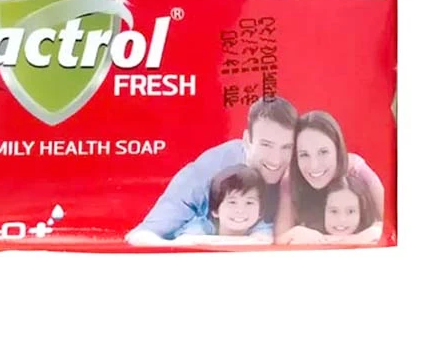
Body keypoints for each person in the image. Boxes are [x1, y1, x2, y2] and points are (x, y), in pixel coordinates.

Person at [125, 96, 298, 245]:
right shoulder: (207, 173)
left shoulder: (302, 168)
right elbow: (141, 235)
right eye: (266, 145)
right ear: (247, 140)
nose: (276, 159)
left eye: (287, 147)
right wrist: (187, 244)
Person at [276, 110, 384, 244]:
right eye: (304, 154)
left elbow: (392, 222)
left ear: (337, 150)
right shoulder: (291, 179)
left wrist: (360, 237)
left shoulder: (356, 169)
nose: (314, 165)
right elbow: (280, 239)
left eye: (323, 152)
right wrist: (296, 232)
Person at [174, 165, 272, 241]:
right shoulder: (198, 231)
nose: (240, 210)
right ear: (215, 210)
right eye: (232, 202)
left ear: (260, 212)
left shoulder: (264, 234)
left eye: (249, 203)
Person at [321, 174, 381, 239]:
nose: (342, 220)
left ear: (361, 212)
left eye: (350, 211)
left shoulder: (374, 235)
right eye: (334, 211)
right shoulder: (313, 236)